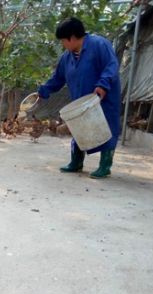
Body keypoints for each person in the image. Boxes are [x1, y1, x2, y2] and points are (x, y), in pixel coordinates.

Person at [37, 17, 121, 178]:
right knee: (79, 129)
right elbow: (58, 78)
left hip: (103, 98)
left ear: (73, 37)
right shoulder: (66, 57)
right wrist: (44, 90)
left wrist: (103, 85)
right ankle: (76, 162)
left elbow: (112, 66)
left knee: (106, 128)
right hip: (80, 101)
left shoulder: (99, 45)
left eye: (63, 40)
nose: (63, 44)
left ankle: (105, 165)